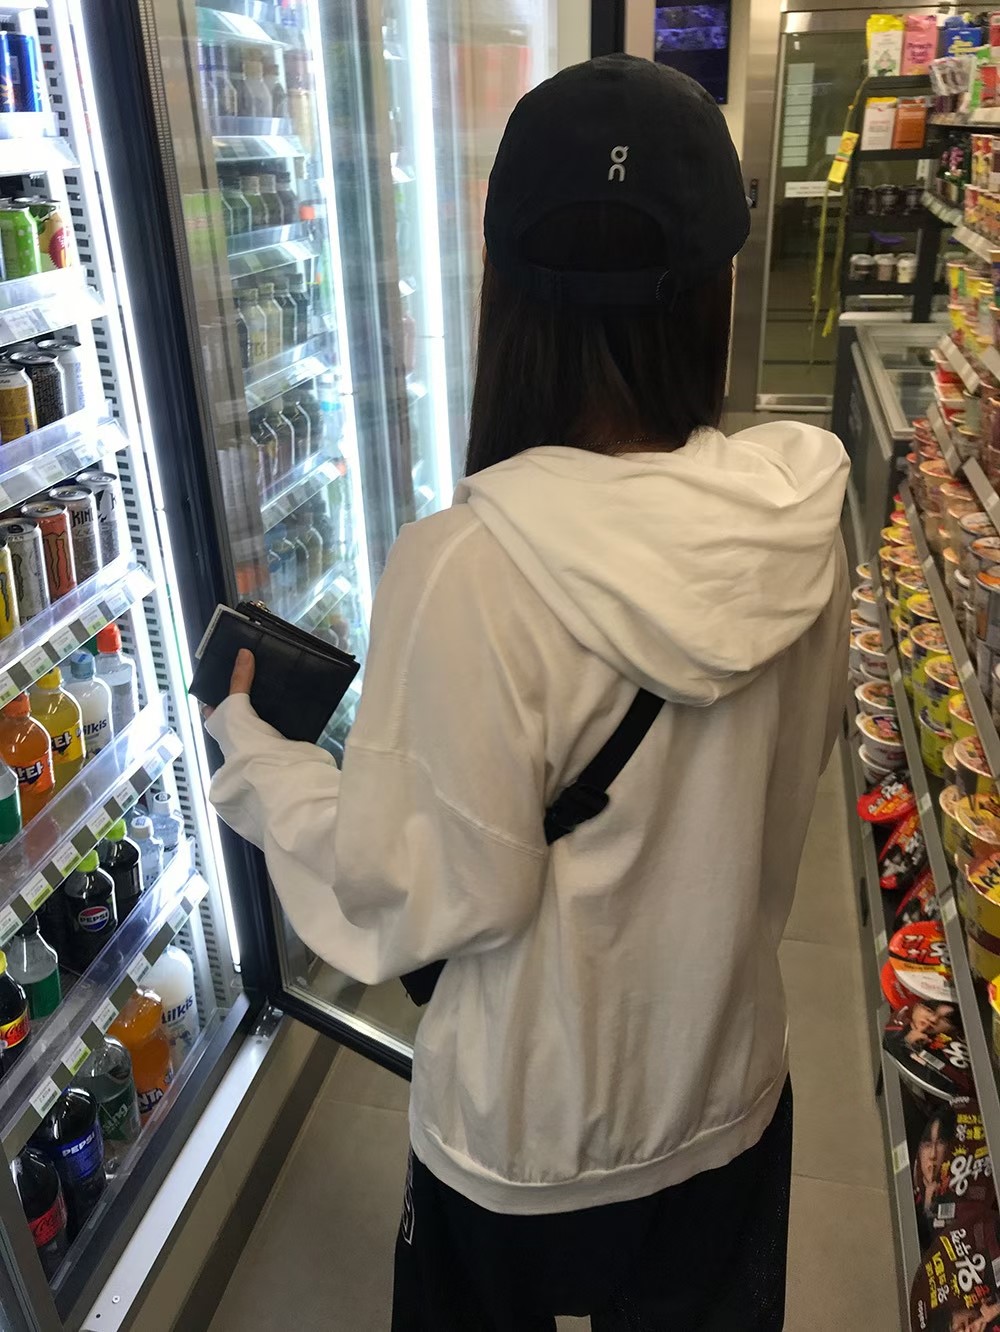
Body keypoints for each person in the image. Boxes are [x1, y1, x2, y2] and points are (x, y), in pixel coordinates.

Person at [206, 54, 849, 1331]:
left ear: (501, 290)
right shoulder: (799, 521)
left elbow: (413, 893)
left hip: (519, 1146)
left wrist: (262, 759)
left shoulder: (465, 568)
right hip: (725, 1104)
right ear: (718, 288)